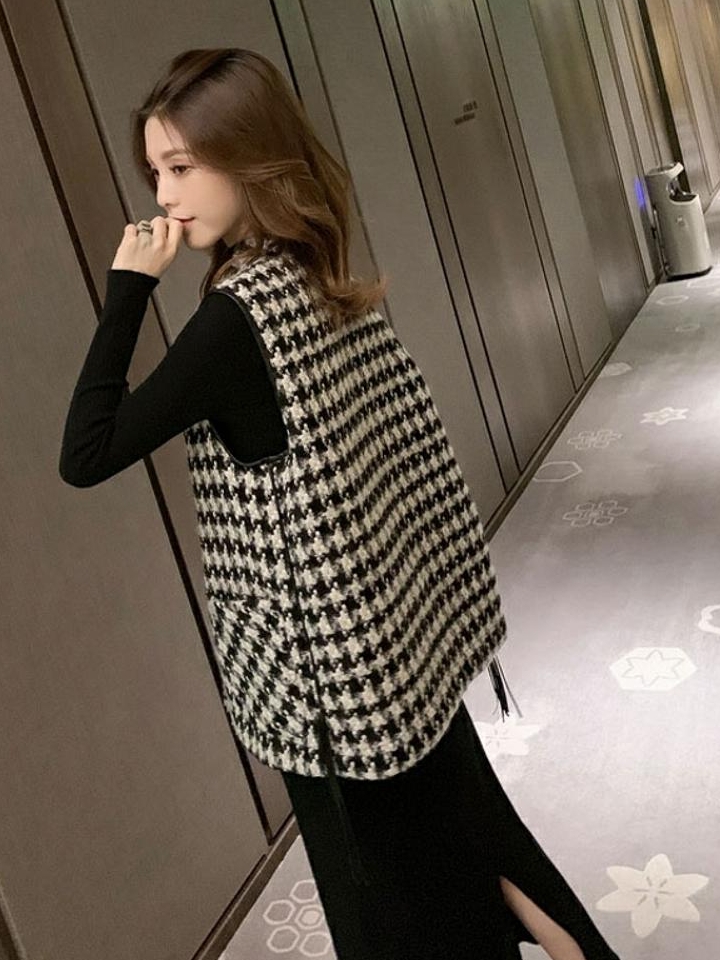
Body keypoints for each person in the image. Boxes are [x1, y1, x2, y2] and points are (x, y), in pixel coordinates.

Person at [59, 48, 622, 960]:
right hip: (398, 644)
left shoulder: (233, 322)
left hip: (327, 684)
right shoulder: (310, 269)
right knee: (483, 841)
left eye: (182, 167)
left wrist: (128, 290)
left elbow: (86, 454)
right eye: (155, 172)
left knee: (392, 917)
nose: (163, 197)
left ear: (248, 158)